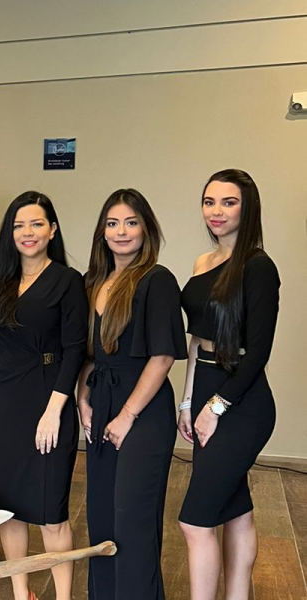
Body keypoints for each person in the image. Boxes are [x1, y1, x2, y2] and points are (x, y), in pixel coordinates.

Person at [0, 192, 87, 600]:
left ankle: (63, 597)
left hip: (46, 398)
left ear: (52, 230)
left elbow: (74, 349)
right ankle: (22, 593)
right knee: (7, 509)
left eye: (36, 224)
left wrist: (54, 410)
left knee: (52, 513)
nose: (27, 232)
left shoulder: (68, 281)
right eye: (19, 225)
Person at [77, 189, 187, 600]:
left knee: (132, 517)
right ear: (102, 232)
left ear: (146, 229)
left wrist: (126, 416)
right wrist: (82, 398)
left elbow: (162, 357)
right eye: (112, 223)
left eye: (130, 222)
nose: (121, 231)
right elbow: (90, 356)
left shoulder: (157, 280)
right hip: (101, 402)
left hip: (143, 411)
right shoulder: (92, 283)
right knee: (102, 516)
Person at [177, 169, 280, 600]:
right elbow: (197, 339)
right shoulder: (203, 263)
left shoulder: (258, 267)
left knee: (194, 521)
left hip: (242, 401)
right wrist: (188, 402)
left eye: (228, 202)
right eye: (209, 201)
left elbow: (258, 354)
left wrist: (215, 407)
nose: (216, 211)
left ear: (247, 207)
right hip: (204, 387)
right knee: (235, 508)